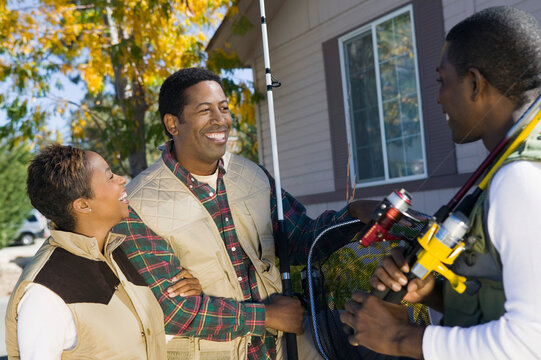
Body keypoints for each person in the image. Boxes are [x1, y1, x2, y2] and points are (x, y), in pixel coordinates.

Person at [113, 67, 377, 359]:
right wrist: (263, 316)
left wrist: (351, 217)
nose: (221, 119)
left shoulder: (252, 176)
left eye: (224, 108)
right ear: (173, 124)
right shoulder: (137, 203)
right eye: (205, 110)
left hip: (282, 345)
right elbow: (171, 309)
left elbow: (301, 240)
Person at [339, 6, 541, 359]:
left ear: (475, 84)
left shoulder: (519, 179)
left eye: (442, 80)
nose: (437, 97)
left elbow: (529, 341)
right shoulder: (514, 161)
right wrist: (435, 293)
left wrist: (399, 338)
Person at [5, 144, 201, 359]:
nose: (121, 179)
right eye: (109, 177)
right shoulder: (45, 293)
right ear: (83, 205)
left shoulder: (119, 252)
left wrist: (188, 288)